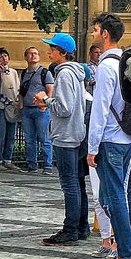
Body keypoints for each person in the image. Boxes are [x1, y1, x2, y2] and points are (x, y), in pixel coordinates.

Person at [86, 13, 131, 259]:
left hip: (109, 139)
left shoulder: (106, 67)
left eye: (96, 29)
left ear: (105, 34)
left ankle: (127, 253)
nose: (93, 33)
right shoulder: (125, 63)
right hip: (127, 137)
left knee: (113, 197)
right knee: (117, 195)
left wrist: (92, 147)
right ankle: (129, 249)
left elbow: (100, 109)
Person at [37, 33, 89, 246]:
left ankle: (70, 229)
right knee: (77, 182)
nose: (49, 51)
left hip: (66, 136)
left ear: (63, 52)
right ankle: (81, 226)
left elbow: (64, 108)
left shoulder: (65, 74)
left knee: (70, 183)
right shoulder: (76, 73)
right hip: (76, 133)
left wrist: (46, 100)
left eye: (52, 48)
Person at [19, 45, 55, 174]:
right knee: (29, 139)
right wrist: (21, 104)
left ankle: (47, 165)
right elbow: (22, 90)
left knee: (44, 138)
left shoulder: (45, 72)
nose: (33, 55)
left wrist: (45, 105)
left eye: (36, 53)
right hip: (27, 109)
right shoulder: (24, 73)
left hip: (41, 110)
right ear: (25, 57)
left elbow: (50, 90)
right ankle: (31, 164)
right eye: (30, 53)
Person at [0, 48, 21, 172]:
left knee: (11, 135)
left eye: (6, 56)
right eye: (1, 56)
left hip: (13, 107)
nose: (4, 59)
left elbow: (17, 88)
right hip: (1, 106)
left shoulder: (13, 72)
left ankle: (8, 159)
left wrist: (17, 102)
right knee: (0, 135)